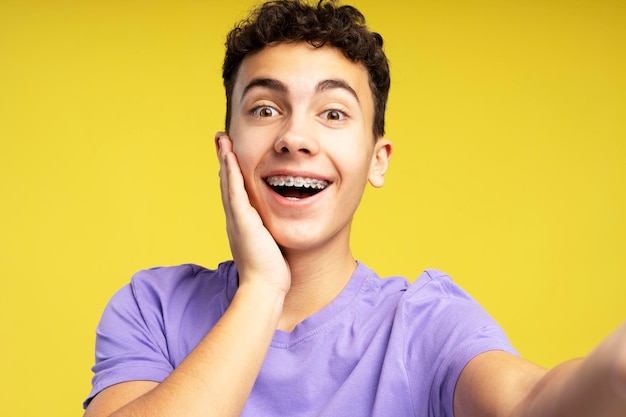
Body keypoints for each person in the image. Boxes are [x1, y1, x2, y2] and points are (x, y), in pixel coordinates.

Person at [83, 1, 626, 416]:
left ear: (377, 159)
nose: (296, 136)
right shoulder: (153, 307)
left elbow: (532, 401)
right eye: (266, 108)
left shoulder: (422, 325)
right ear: (227, 148)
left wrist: (616, 369)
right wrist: (262, 289)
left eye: (334, 113)